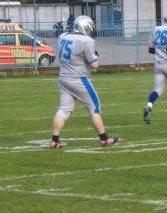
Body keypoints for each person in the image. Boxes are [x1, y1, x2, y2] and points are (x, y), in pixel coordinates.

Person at [50, 15, 119, 149]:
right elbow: (94, 65)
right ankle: (104, 138)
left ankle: (55, 140)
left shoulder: (63, 36)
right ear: (85, 27)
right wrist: (96, 56)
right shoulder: (86, 40)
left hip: (63, 78)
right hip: (79, 79)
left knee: (64, 109)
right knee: (94, 106)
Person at [143, 12, 167, 124]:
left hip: (158, 64)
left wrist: (159, 52)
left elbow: (151, 49)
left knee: (158, 90)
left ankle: (149, 106)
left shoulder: (156, 29)